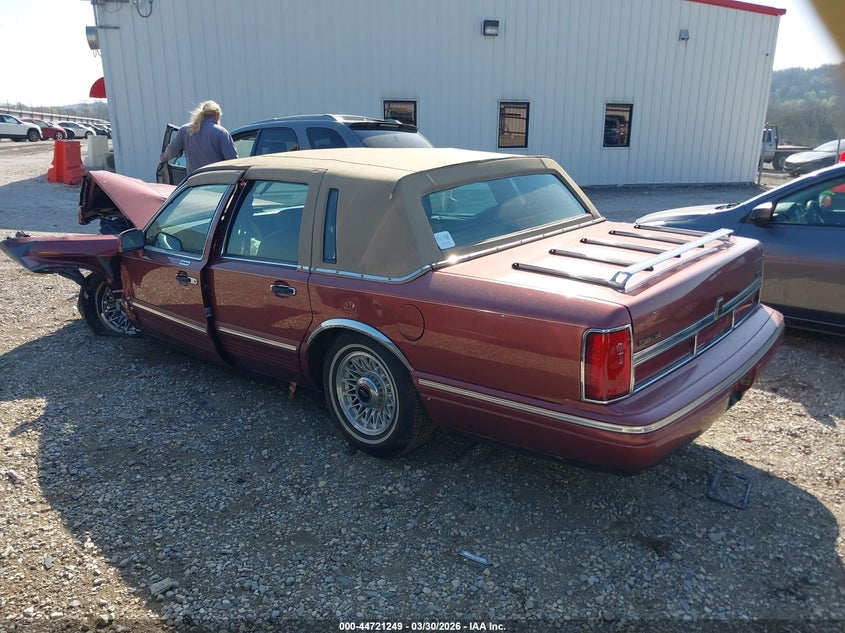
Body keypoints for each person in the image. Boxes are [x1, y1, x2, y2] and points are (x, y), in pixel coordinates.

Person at [159, 100, 237, 175]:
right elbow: (233, 160)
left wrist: (163, 158)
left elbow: (172, 151)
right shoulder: (222, 132)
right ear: (216, 116)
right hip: (216, 181)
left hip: (194, 180)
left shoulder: (185, 130)